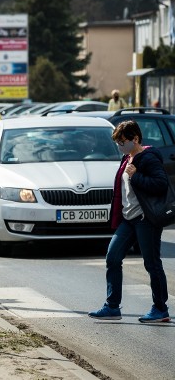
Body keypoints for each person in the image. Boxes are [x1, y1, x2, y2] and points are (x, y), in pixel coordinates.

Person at [88, 120, 170, 323]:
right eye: (118, 142)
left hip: (145, 219)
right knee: (112, 257)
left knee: (152, 263)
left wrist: (137, 176)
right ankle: (112, 307)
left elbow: (161, 184)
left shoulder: (148, 158)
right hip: (128, 218)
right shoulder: (127, 158)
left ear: (136, 139)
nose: (120, 146)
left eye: (123, 141)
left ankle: (160, 309)